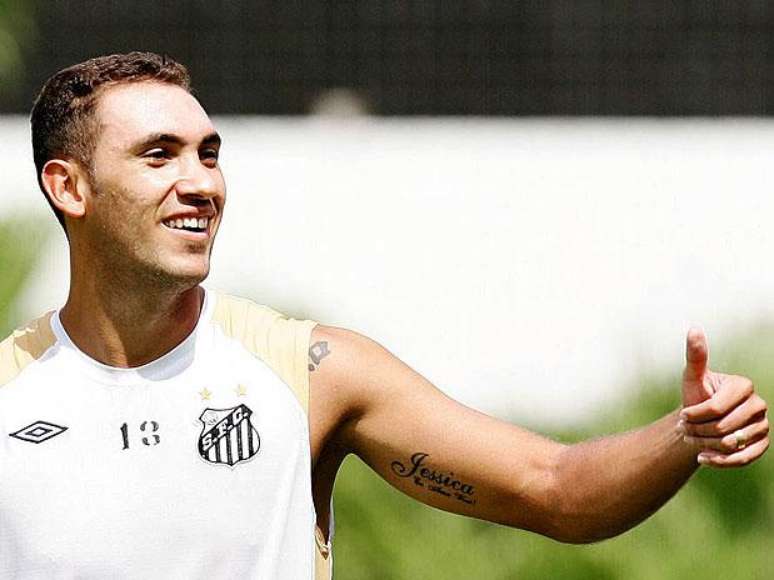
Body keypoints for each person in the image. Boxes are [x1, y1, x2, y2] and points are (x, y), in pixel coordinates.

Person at [0, 51, 768, 579]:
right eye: (159, 154)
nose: (202, 182)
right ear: (69, 187)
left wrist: (686, 433)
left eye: (209, 152)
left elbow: (556, 489)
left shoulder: (311, 372)